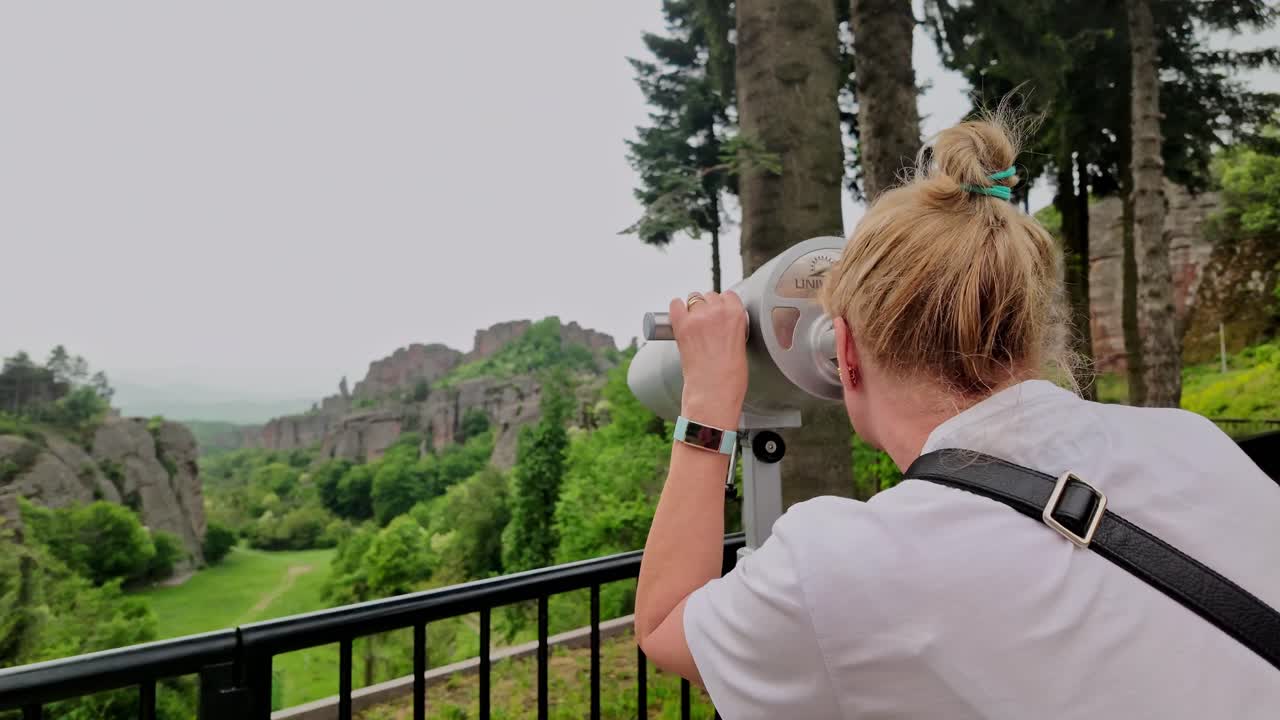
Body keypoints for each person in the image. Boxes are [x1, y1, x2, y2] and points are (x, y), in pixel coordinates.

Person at [632, 113, 1280, 718]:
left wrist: (708, 402)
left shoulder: (843, 565)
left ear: (846, 352)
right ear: (1028, 330)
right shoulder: (1189, 441)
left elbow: (663, 626)